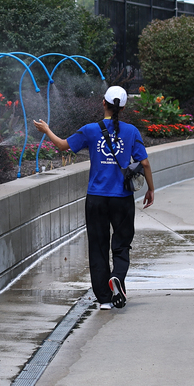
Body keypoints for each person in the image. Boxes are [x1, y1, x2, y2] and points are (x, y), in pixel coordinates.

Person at [33, 85, 154, 310]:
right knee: (122, 243)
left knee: (98, 247)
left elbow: (62, 146)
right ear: (124, 107)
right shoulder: (131, 132)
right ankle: (117, 276)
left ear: (103, 103)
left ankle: (105, 300)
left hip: (96, 198)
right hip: (122, 198)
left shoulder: (90, 130)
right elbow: (144, 163)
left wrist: (47, 130)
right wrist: (151, 189)